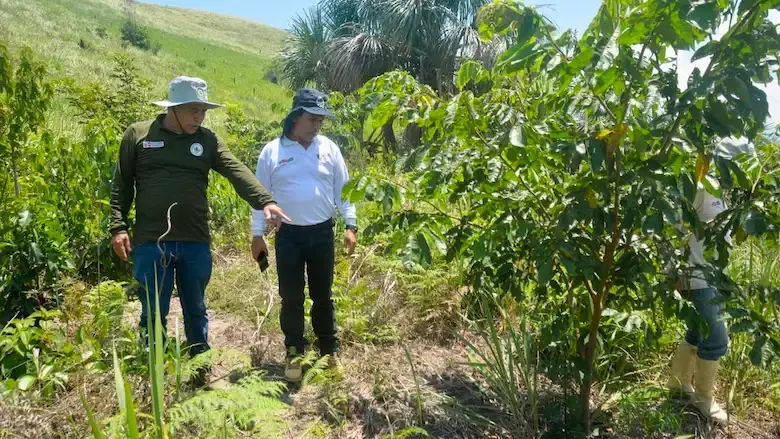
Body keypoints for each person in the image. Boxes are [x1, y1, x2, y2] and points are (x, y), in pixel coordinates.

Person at [109, 76, 290, 374]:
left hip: (195, 241)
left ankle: (200, 369)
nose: (199, 116)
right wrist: (118, 227)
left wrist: (264, 201)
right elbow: (121, 186)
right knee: (153, 311)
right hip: (152, 242)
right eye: (193, 109)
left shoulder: (206, 140)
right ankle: (153, 373)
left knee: (196, 309)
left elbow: (235, 170)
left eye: (203, 111)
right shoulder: (138, 135)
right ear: (174, 108)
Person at [251, 88, 357, 382]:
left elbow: (344, 191)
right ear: (296, 117)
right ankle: (294, 351)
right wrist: (257, 234)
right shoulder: (273, 151)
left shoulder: (329, 149)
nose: (317, 125)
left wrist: (351, 225)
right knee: (292, 298)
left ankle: (328, 350)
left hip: (322, 233)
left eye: (321, 120)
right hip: (288, 237)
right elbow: (259, 197)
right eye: (312, 119)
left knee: (323, 296)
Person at [666, 138, 749, 425]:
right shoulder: (701, 188)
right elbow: (673, 227)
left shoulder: (723, 191)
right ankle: (703, 398)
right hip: (696, 277)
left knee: (697, 329)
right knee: (715, 336)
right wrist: (672, 272)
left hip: (714, 275)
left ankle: (677, 384)